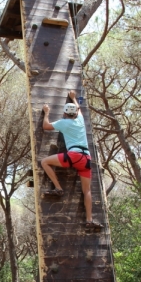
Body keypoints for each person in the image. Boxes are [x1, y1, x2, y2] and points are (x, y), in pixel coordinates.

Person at [41, 90, 103, 230]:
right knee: (87, 190)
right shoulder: (80, 119)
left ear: (64, 113)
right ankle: (89, 220)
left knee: (45, 162)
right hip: (86, 158)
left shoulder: (63, 123)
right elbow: (79, 108)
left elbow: (46, 126)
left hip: (73, 156)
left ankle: (58, 188)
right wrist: (73, 98)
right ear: (75, 113)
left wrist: (46, 112)